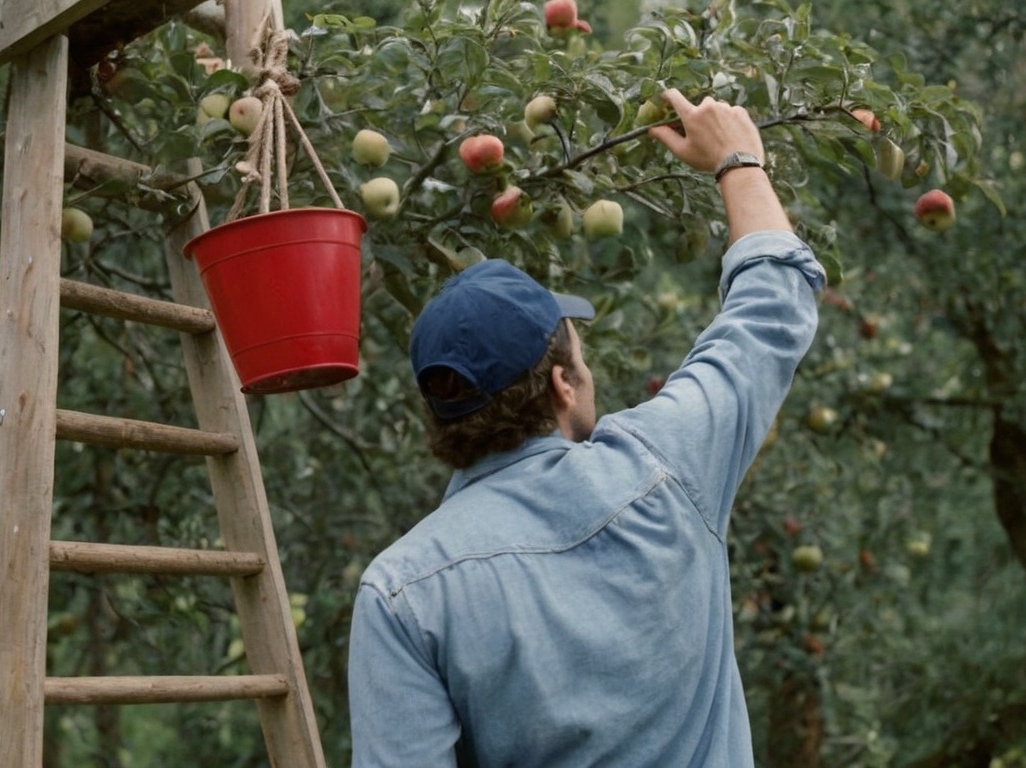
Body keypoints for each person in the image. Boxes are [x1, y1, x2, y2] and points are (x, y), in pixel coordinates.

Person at [347, 88, 827, 767]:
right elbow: (772, 307)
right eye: (578, 351)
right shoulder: (666, 471)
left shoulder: (402, 592)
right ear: (561, 384)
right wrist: (739, 161)